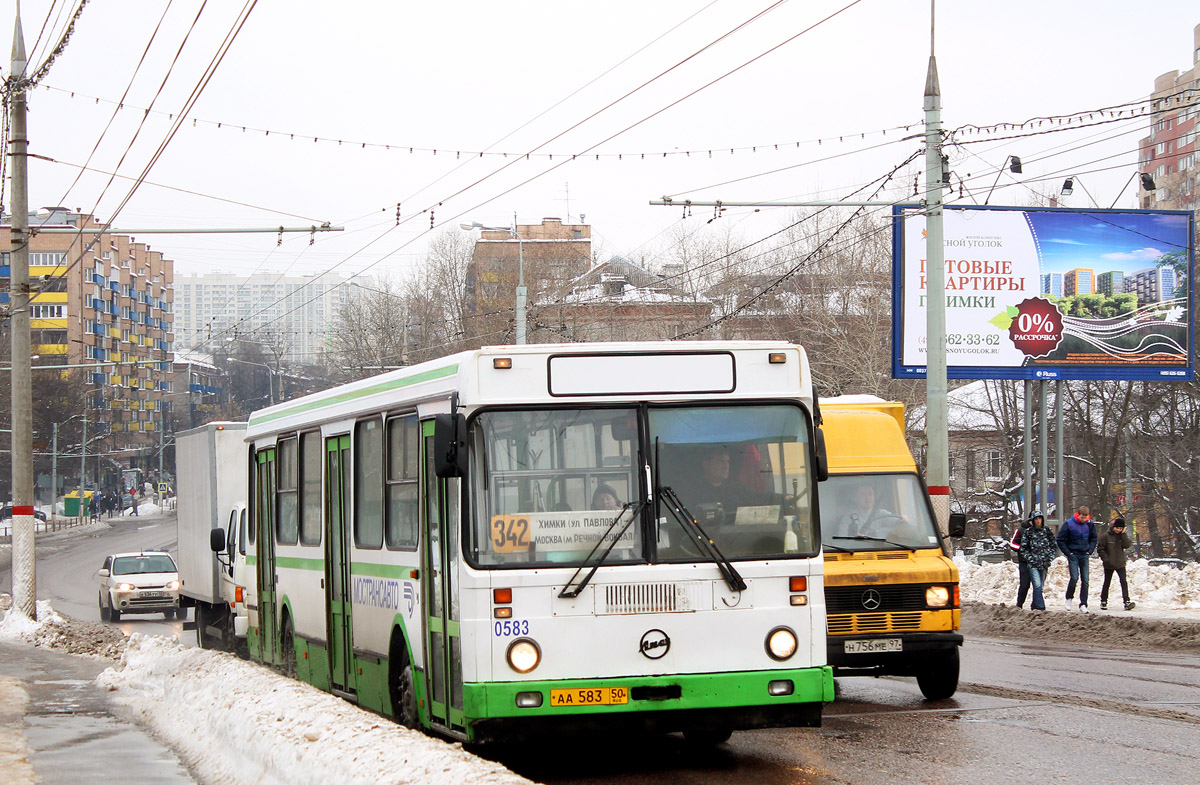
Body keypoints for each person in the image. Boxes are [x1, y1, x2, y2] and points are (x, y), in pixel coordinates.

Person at [1056, 505, 1097, 612]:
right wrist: (1068, 553)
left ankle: (1083, 603)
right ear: (1078, 515)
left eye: (1085, 517)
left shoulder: (1090, 524)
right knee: (1074, 577)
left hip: (1084, 554)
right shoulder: (1069, 524)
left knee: (1086, 580)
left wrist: (1090, 550)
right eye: (1082, 517)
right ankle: (1069, 598)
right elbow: (1060, 539)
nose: (1083, 519)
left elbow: (1094, 538)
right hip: (1073, 554)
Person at [1020, 510, 1060, 611]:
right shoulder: (1028, 532)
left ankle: (1035, 605)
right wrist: (1030, 558)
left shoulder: (1047, 531)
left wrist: (1050, 557)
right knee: (1037, 585)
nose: (1038, 521)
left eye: (1039, 518)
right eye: (1036, 519)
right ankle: (1041, 607)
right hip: (1033, 564)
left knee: (1040, 587)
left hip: (1044, 563)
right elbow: (1023, 548)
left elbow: (1054, 546)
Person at [1098, 517, 1135, 611]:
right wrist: (1106, 559)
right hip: (1109, 563)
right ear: (1113, 527)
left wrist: (1123, 535)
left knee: (1123, 581)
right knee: (1107, 582)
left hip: (1120, 563)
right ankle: (1103, 600)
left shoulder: (1122, 536)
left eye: (1121, 528)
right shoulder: (1105, 536)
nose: (1118, 530)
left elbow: (1127, 545)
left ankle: (1126, 601)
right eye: (1117, 528)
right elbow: (1100, 549)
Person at [1009, 514, 1034, 608]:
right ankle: (1019, 604)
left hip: (1037, 561)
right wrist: (1022, 549)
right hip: (1024, 561)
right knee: (1024, 584)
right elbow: (1012, 544)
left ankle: (1036, 605)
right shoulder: (1020, 530)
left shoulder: (1041, 530)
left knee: (1037, 585)